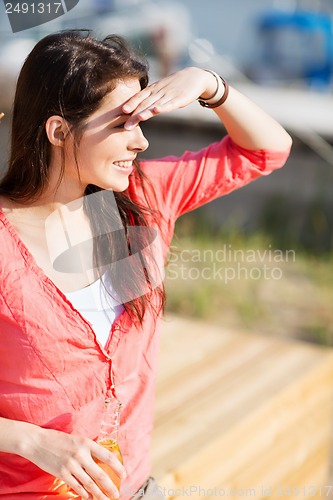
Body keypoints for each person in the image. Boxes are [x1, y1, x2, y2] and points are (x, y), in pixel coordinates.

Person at [0, 30, 292, 500]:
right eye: (122, 124)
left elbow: (267, 150)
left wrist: (208, 85)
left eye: (143, 122)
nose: (140, 143)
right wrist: (33, 441)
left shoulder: (145, 196)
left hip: (135, 487)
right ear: (58, 131)